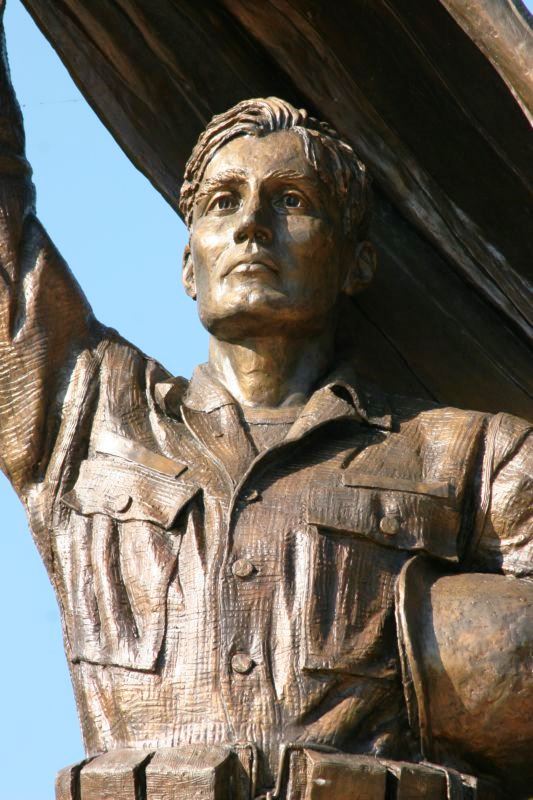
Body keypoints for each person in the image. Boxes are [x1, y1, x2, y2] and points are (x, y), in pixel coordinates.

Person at [0, 4, 531, 797]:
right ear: (188, 266)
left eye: (291, 201)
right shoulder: (87, 419)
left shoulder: (475, 457)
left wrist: (447, 655)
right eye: (222, 202)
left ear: (355, 261)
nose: (251, 225)